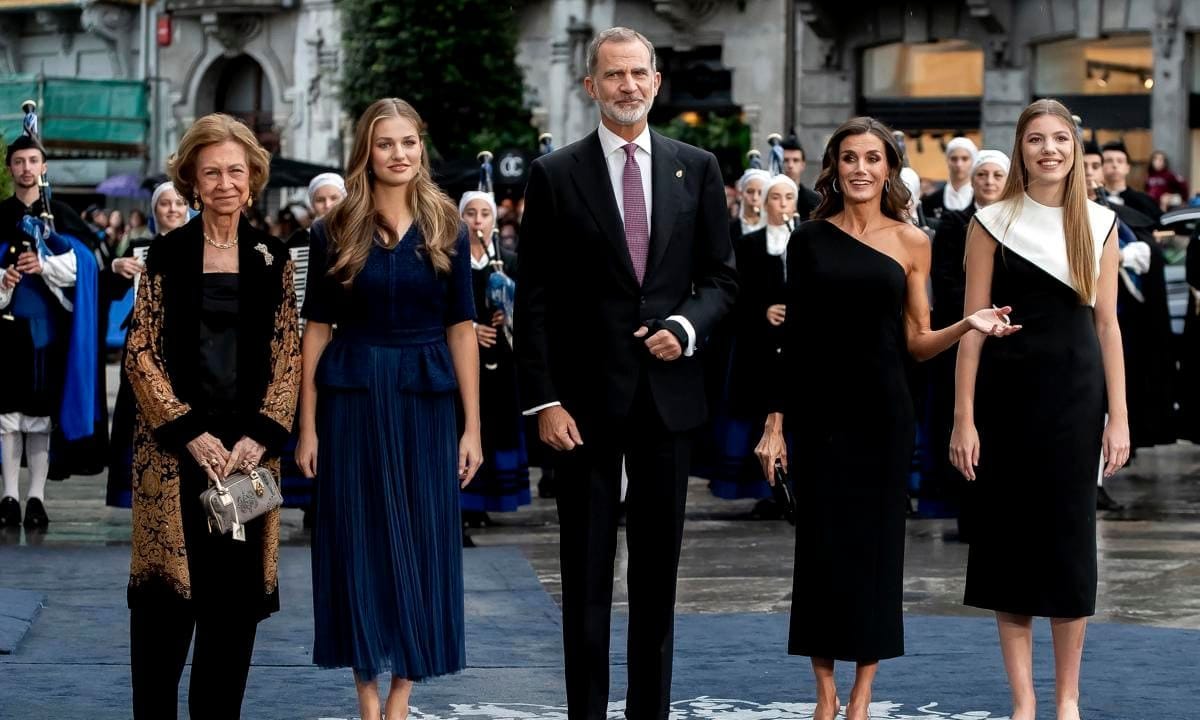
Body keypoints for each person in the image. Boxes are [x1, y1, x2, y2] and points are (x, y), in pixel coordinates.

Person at [753, 116, 1012, 720]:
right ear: (834, 168)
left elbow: (918, 341)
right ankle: (824, 694)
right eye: (850, 158)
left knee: (875, 551)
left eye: (874, 158)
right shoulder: (809, 239)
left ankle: (862, 695)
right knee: (818, 550)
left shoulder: (912, 241)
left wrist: (966, 325)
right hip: (819, 414)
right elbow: (797, 340)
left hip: (884, 415)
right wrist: (775, 422)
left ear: (889, 168)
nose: (861, 169)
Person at [515, 26, 737, 720]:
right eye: (614, 75)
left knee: (657, 579)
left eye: (640, 73)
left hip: (667, 402)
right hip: (581, 406)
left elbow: (722, 280)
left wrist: (684, 326)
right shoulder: (555, 175)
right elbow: (536, 300)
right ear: (592, 86)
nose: (629, 86)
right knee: (585, 577)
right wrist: (544, 400)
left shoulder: (695, 167)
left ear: (657, 82)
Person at [296, 98, 482, 720]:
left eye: (409, 142)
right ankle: (366, 698)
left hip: (426, 400)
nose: (399, 154)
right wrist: (306, 425)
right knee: (355, 540)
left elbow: (461, 327)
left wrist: (473, 427)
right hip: (351, 399)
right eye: (385, 144)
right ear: (365, 153)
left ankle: (401, 696)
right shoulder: (332, 229)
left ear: (420, 149)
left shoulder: (447, 224)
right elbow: (316, 330)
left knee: (426, 540)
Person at [951, 99, 1129, 720]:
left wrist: (1121, 417)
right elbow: (971, 326)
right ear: (1020, 148)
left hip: (1076, 401)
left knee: (1070, 547)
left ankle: (1068, 701)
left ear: (1074, 148)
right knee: (1010, 548)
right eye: (1035, 139)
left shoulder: (1101, 224)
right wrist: (963, 417)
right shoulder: (988, 223)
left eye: (1059, 138)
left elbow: (1108, 328)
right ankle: (1024, 702)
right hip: (1006, 401)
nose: (1048, 149)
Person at [123, 113, 300, 719]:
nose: (225, 183)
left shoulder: (272, 258)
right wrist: (190, 433)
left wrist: (259, 437)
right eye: (211, 173)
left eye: (236, 171)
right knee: (163, 618)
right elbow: (139, 352)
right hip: (178, 459)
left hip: (246, 464)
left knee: (232, 613)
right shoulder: (164, 256)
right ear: (192, 183)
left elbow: (288, 356)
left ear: (252, 178)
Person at [0, 134, 101, 529]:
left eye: (33, 161)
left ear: (44, 168)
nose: (26, 168)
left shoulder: (61, 215)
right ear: (10, 168)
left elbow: (87, 268)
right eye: (19, 161)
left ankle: (36, 498)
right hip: (6, 329)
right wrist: (4, 278)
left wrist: (45, 266)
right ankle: (8, 495)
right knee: (7, 414)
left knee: (40, 416)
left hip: (49, 333)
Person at [927, 149, 1009, 540]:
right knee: (961, 423)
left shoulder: (1015, 226)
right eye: (983, 175)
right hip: (963, 334)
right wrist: (980, 312)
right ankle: (967, 515)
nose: (989, 182)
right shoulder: (955, 224)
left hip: (1006, 339)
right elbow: (946, 282)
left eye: (997, 175)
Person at [706, 174, 796, 506]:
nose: (782, 204)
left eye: (789, 198)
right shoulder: (747, 245)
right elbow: (731, 293)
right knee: (755, 415)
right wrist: (762, 311)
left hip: (792, 347)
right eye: (776, 198)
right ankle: (760, 491)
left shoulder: (803, 243)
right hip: (755, 347)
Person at [105, 182, 190, 509]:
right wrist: (115, 268)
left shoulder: (204, 247)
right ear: (155, 212)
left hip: (187, 349)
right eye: (165, 204)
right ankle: (145, 491)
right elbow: (110, 291)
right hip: (145, 349)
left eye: (178, 204)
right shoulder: (140, 248)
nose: (172, 210)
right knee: (142, 420)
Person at [459, 190, 530, 531]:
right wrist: (470, 329)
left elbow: (528, 309)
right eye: (470, 214)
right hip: (463, 362)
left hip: (500, 361)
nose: (477, 221)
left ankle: (488, 501)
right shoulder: (450, 260)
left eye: (484, 214)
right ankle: (464, 500)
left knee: (494, 429)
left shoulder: (509, 261)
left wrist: (509, 309)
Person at [278, 172, 346, 525]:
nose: (326, 206)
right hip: (307, 340)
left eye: (333, 199)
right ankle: (307, 497)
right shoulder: (297, 243)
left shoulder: (356, 237)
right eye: (321, 200)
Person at [921, 136, 977, 227]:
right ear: (947, 160)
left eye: (965, 159)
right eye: (954, 159)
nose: (959, 164)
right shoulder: (931, 201)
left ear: (973, 161)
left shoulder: (980, 199)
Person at [1101, 141, 1161, 222]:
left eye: (1120, 161)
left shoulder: (1145, 201)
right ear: (1100, 167)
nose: (1115, 165)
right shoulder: (1092, 203)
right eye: (1108, 161)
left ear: (1127, 168)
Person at [780, 137, 822, 221]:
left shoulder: (815, 201)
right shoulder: (767, 197)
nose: (790, 165)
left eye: (795, 160)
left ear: (803, 165)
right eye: (785, 160)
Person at [730, 168, 770, 241]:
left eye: (760, 193)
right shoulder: (728, 228)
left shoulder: (774, 229)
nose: (755, 198)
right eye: (750, 192)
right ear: (741, 194)